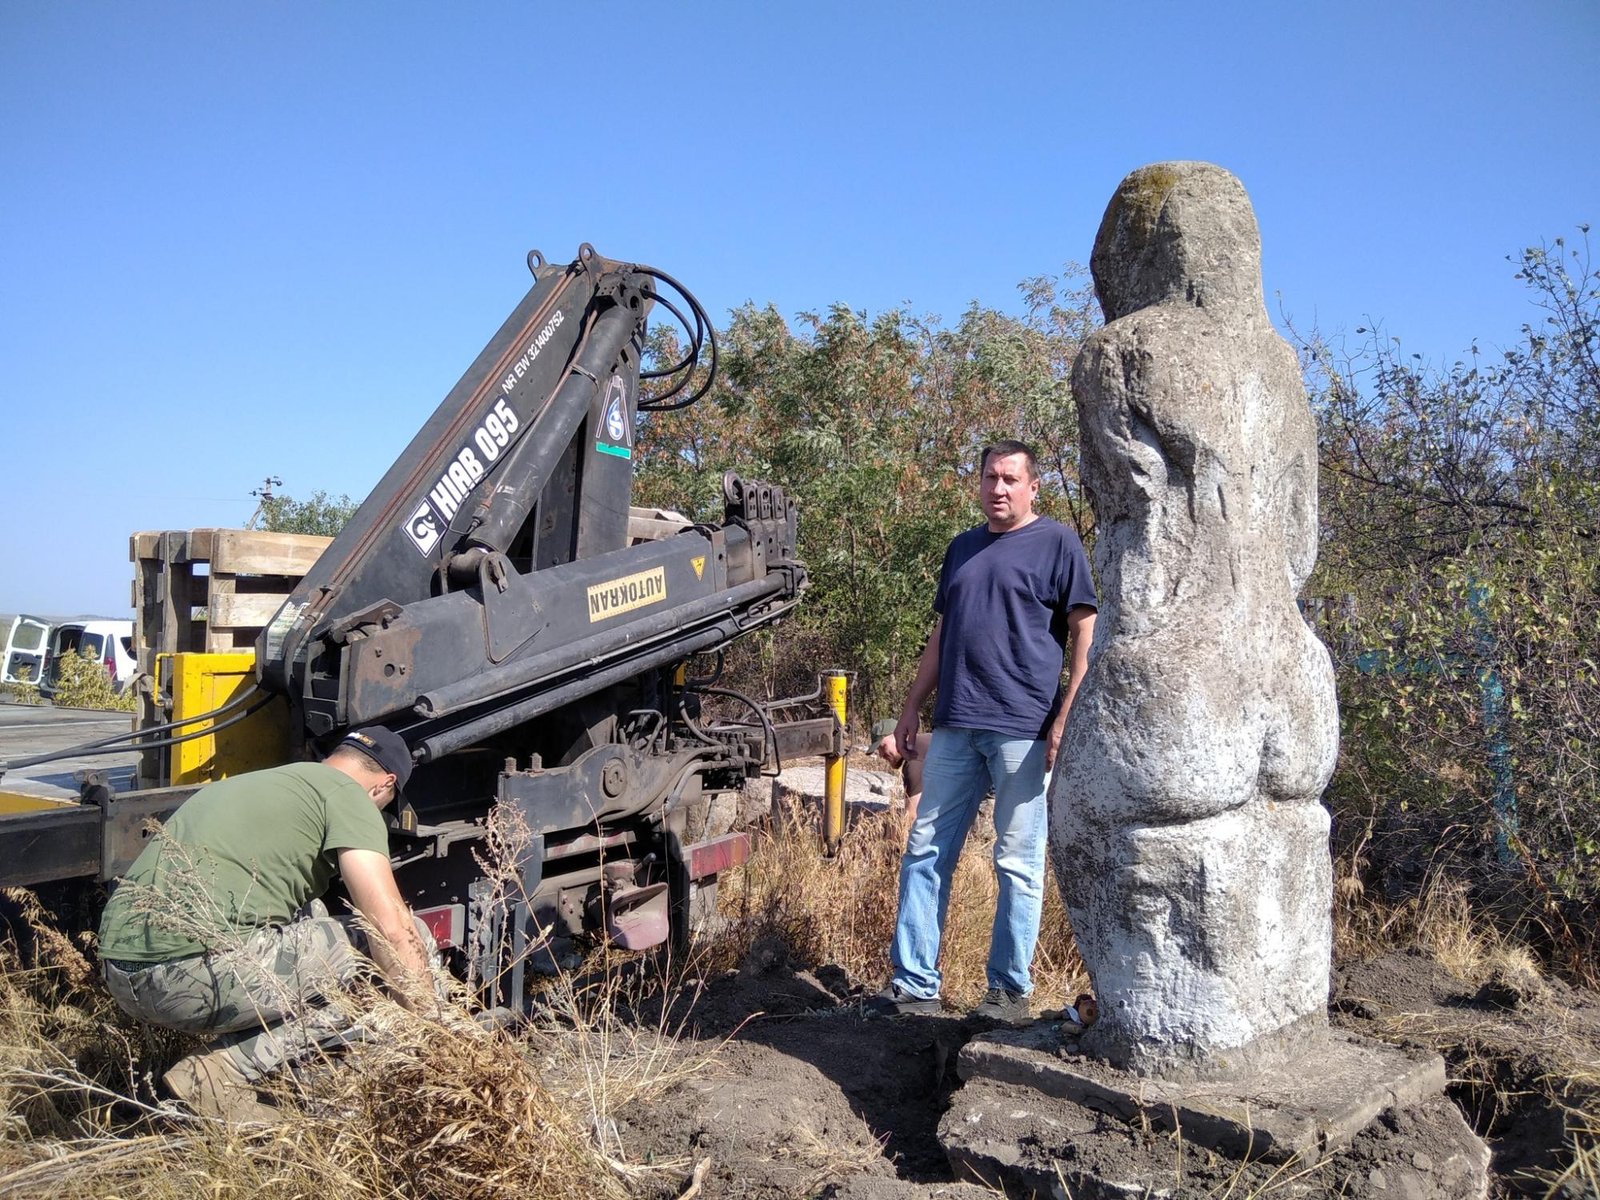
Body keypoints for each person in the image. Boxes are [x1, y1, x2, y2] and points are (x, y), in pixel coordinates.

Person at [866, 440, 1097, 1023]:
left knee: (1016, 861)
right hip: (957, 725)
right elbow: (942, 636)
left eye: (1011, 479)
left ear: (1033, 487)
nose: (999, 488)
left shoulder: (1059, 544)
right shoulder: (963, 549)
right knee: (925, 850)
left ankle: (1007, 992)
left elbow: (1084, 637)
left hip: (1023, 730)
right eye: (991, 477)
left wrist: (1067, 716)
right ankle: (915, 984)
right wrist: (913, 704)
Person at [98, 726, 438, 1122]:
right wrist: (433, 1037)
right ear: (384, 785)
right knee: (392, 947)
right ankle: (222, 1072)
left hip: (122, 976)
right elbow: (393, 929)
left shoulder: (262, 782)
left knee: (315, 919)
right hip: (188, 976)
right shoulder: (350, 797)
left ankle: (289, 1076)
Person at [871, 716, 926, 828]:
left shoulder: (913, 762)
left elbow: (911, 818)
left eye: (882, 746)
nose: (881, 755)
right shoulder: (921, 745)